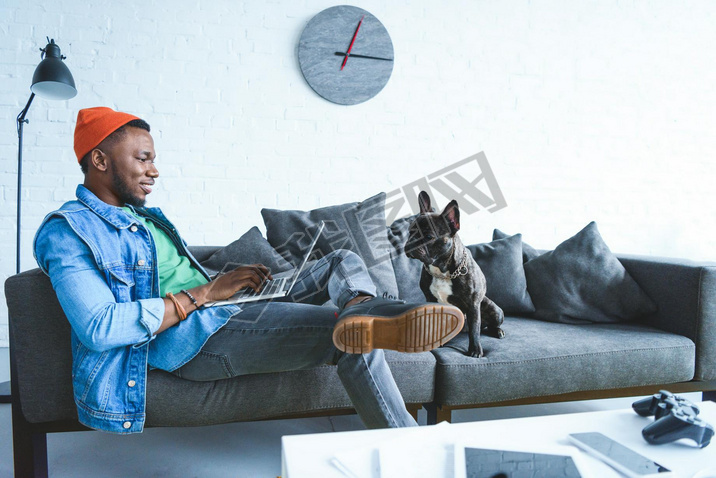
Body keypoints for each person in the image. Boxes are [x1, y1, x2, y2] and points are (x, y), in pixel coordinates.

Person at [33, 107, 464, 434]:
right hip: (196, 335)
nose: (154, 170)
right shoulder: (66, 232)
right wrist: (207, 294)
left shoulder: (145, 218)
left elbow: (179, 275)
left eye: (153, 158)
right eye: (143, 158)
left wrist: (225, 283)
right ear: (100, 160)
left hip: (227, 305)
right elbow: (99, 326)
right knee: (354, 338)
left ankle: (363, 306)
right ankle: (412, 451)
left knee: (341, 261)